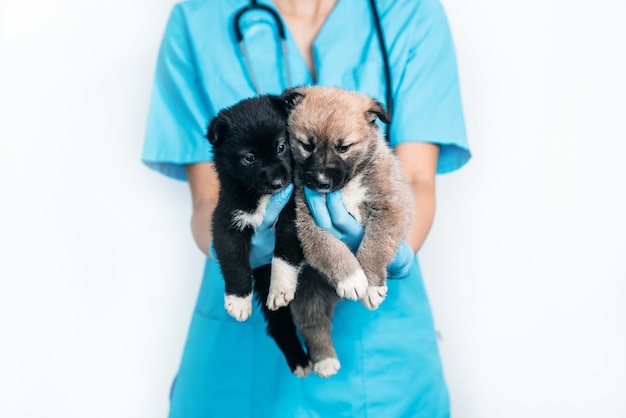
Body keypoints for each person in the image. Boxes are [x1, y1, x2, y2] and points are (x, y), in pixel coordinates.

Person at [142, 0, 471, 416]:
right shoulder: (198, 18)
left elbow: (417, 181)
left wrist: (389, 250)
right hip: (241, 355)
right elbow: (210, 197)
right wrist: (247, 245)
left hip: (383, 358)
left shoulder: (408, 12)